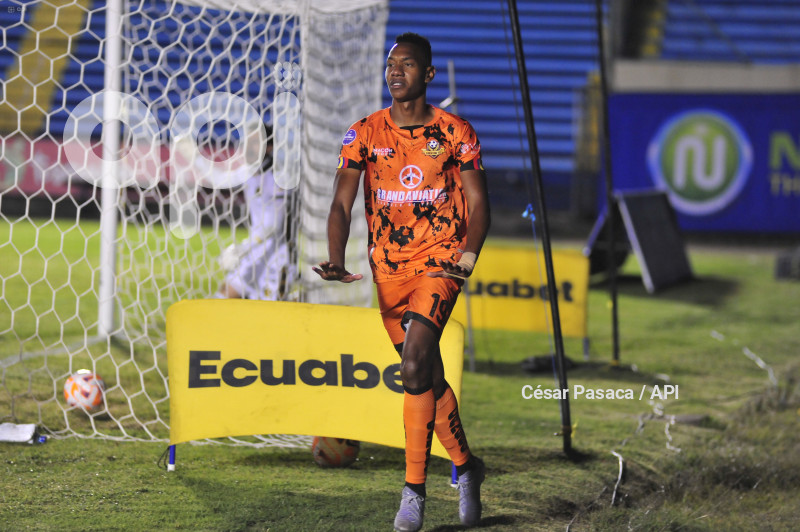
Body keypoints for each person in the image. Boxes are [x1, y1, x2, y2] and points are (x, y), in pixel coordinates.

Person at [313, 32, 491, 531]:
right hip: (389, 271)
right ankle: (468, 467)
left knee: (413, 365)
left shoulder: (456, 133)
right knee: (426, 378)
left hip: (441, 264)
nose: (396, 72)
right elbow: (340, 204)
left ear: (427, 75)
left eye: (407, 65)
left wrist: (468, 256)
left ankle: (413, 493)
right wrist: (334, 256)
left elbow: (479, 205)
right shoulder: (363, 133)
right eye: (391, 65)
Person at [213, 125, 296, 301]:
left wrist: (241, 249)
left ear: (270, 147)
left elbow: (274, 224)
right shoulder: (249, 172)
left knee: (265, 323)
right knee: (218, 304)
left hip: (275, 261)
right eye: (247, 142)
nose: (249, 147)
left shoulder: (277, 177)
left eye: (255, 142)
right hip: (252, 257)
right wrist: (193, 156)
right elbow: (217, 178)